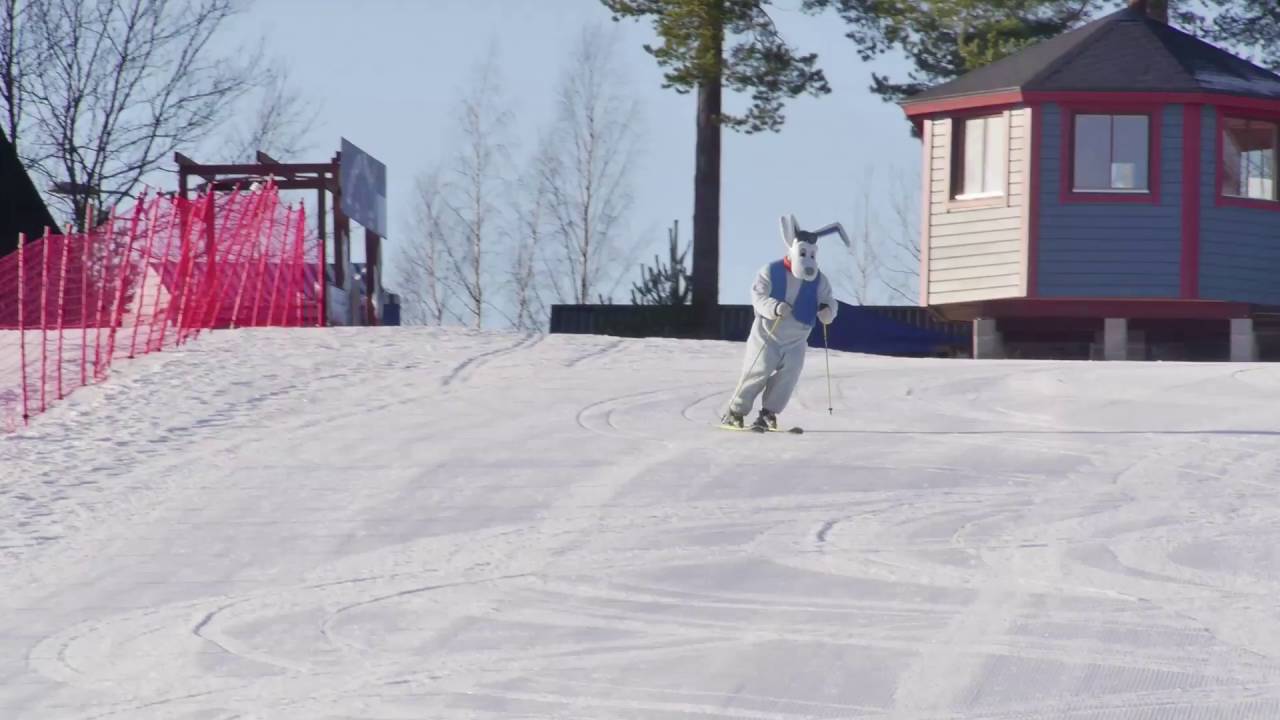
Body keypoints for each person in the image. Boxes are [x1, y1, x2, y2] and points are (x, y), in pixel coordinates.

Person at [722, 220, 838, 431]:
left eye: (812, 255)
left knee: (790, 374)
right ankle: (735, 412)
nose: (808, 260)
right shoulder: (771, 271)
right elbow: (758, 296)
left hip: (797, 337)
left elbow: (829, 299)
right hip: (768, 334)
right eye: (803, 254)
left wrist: (827, 311)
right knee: (758, 370)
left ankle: (769, 413)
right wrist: (774, 307)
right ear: (793, 250)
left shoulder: (819, 280)